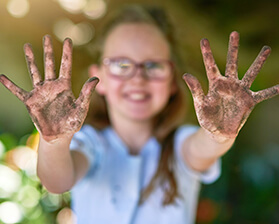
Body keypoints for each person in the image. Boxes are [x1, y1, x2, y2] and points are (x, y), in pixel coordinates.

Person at [0, 4, 279, 224]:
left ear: (172, 81)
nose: (137, 78)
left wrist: (219, 134)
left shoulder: (181, 144)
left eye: (153, 66)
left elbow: (204, 147)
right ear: (99, 79)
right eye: (121, 65)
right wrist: (53, 141)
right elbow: (57, 181)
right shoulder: (90, 144)